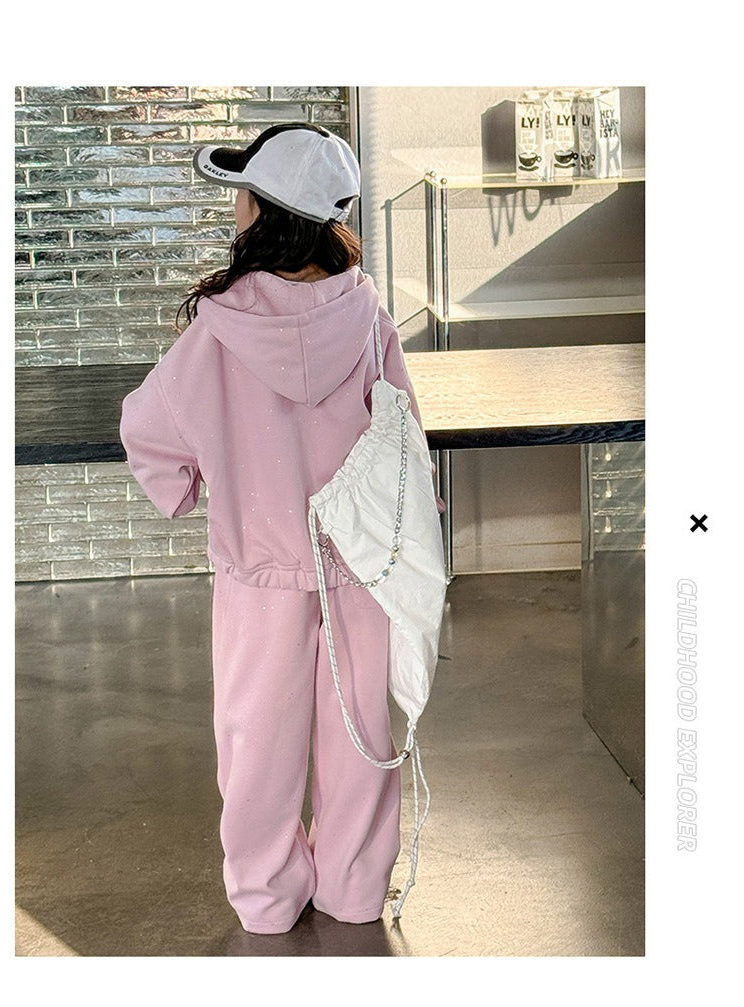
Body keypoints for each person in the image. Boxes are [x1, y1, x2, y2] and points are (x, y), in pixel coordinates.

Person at [119, 122, 445, 936]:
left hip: (259, 574)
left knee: (256, 743)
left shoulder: (218, 329)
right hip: (361, 567)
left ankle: (265, 899)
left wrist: (187, 487)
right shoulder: (367, 315)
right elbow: (405, 437)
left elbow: (149, 428)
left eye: (245, 192)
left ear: (264, 210)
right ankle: (354, 889)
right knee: (360, 736)